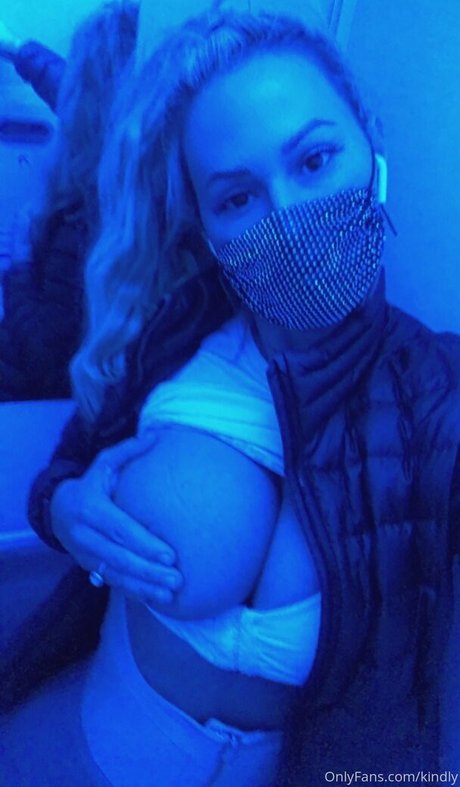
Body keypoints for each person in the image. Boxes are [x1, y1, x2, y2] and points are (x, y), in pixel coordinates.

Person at [1, 8, 459, 785]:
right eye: (238, 197)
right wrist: (64, 507)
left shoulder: (439, 391)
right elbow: (69, 464)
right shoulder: (172, 330)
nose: (289, 215)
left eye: (314, 160)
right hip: (71, 742)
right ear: (208, 225)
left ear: (372, 147)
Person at [0, 3, 139, 400]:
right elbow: (62, 85)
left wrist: (19, 265)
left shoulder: (89, 220)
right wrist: (16, 46)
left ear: (88, 96)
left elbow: (48, 363)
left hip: (20, 388)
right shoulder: (130, 149)